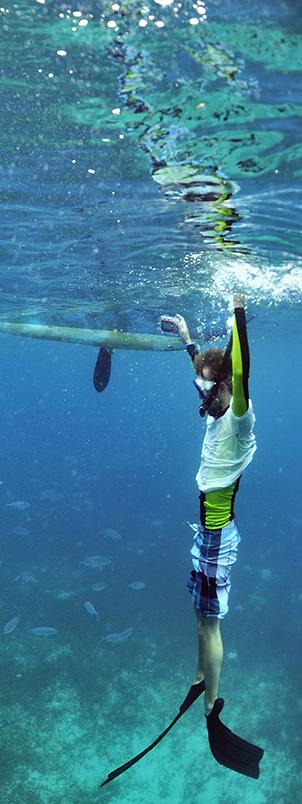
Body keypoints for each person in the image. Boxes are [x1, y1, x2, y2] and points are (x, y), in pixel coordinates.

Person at [172, 294, 263, 777]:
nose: (201, 398)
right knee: (199, 618)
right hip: (207, 533)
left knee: (210, 624)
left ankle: (212, 706)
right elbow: (209, 377)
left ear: (226, 388)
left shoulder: (239, 417)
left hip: (216, 536)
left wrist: (238, 313)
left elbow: (241, 371)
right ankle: (199, 673)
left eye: (208, 390)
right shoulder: (216, 403)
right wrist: (189, 339)